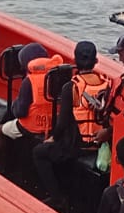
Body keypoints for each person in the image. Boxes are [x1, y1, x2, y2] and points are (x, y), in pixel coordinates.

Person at [34, 40, 107, 204]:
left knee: (39, 152)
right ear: (96, 61)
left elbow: (62, 122)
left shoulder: (71, 87)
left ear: (75, 61)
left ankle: (57, 198)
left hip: (79, 146)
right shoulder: (105, 84)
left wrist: (53, 137)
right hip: (99, 143)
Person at [0, 42, 54, 169]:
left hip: (32, 127)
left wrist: (15, 105)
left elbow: (20, 112)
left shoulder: (29, 81)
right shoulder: (55, 75)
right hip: (52, 125)